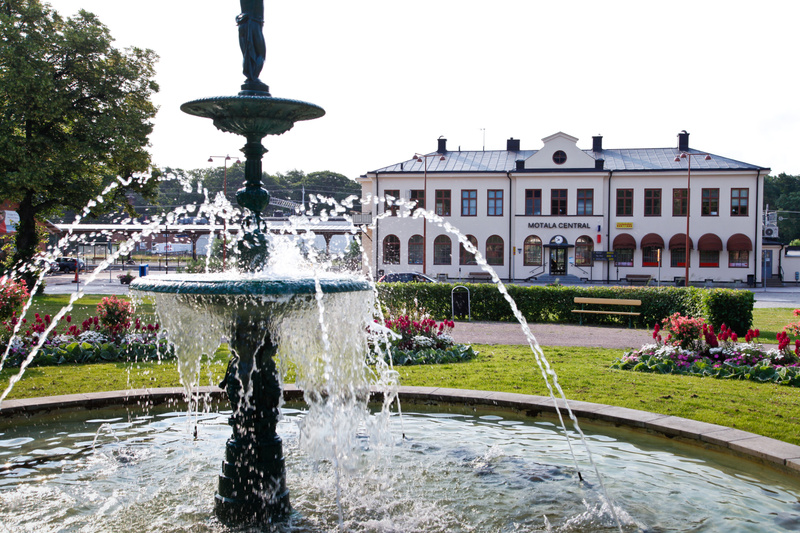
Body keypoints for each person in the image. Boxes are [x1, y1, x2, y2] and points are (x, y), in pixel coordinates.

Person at [237, 0, 269, 94]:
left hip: (243, 23)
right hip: (254, 23)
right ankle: (253, 77)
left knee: (247, 53)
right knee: (261, 54)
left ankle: (250, 76)